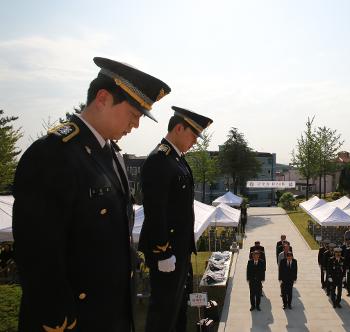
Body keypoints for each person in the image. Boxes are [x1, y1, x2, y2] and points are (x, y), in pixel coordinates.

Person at [12, 57, 169, 332]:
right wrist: (57, 318)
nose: (135, 126)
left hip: (113, 315)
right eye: (133, 115)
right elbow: (36, 253)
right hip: (74, 319)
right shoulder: (52, 154)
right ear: (103, 98)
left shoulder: (114, 156)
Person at [138, 106, 212, 332]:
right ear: (179, 128)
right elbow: (155, 211)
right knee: (163, 312)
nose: (196, 142)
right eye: (194, 135)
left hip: (179, 250)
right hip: (167, 252)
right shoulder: (159, 159)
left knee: (178, 309)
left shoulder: (177, 160)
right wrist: (163, 252)